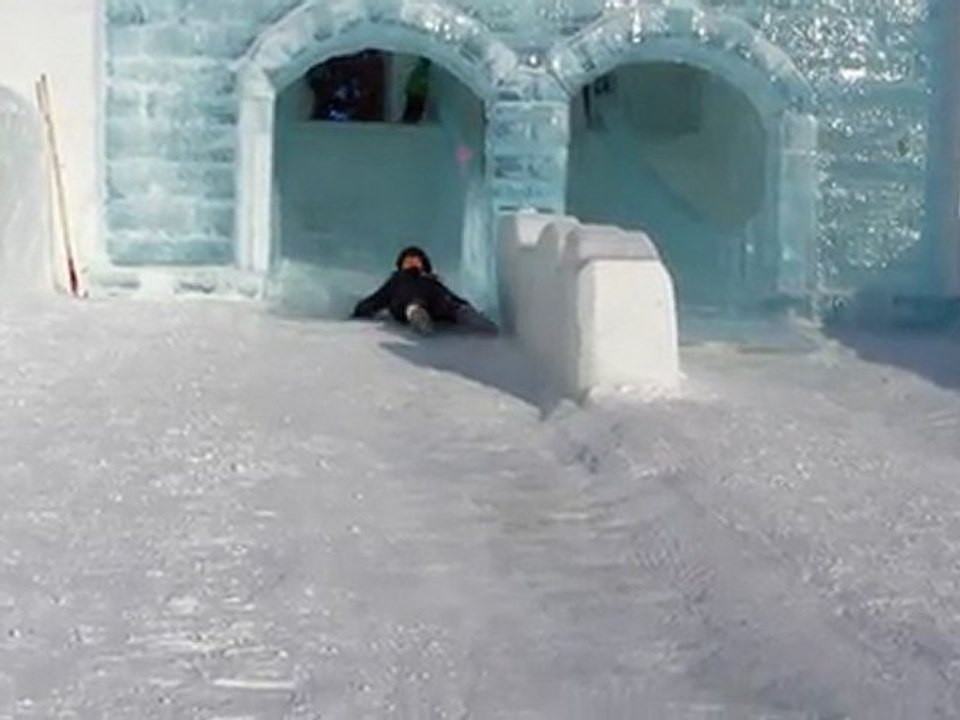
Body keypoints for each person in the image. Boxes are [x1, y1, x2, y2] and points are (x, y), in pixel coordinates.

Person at [351, 246, 498, 336]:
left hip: (437, 302)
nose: (412, 262)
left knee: (452, 306)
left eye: (416, 259)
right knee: (413, 302)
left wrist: (464, 305)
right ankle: (417, 312)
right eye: (408, 260)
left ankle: (463, 315)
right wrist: (362, 310)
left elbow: (450, 295)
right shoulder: (398, 279)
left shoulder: (431, 280)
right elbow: (379, 298)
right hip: (407, 301)